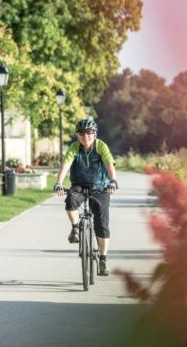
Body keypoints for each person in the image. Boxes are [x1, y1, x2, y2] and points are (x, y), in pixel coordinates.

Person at [54, 117, 118, 276]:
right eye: (81, 133)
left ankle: (103, 260)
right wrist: (59, 183)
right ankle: (75, 229)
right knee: (70, 200)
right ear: (77, 135)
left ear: (94, 134)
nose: (85, 136)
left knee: (102, 224)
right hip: (79, 185)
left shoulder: (101, 146)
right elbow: (65, 165)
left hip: (100, 186)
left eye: (89, 133)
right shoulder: (74, 148)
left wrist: (113, 181)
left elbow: (109, 165)